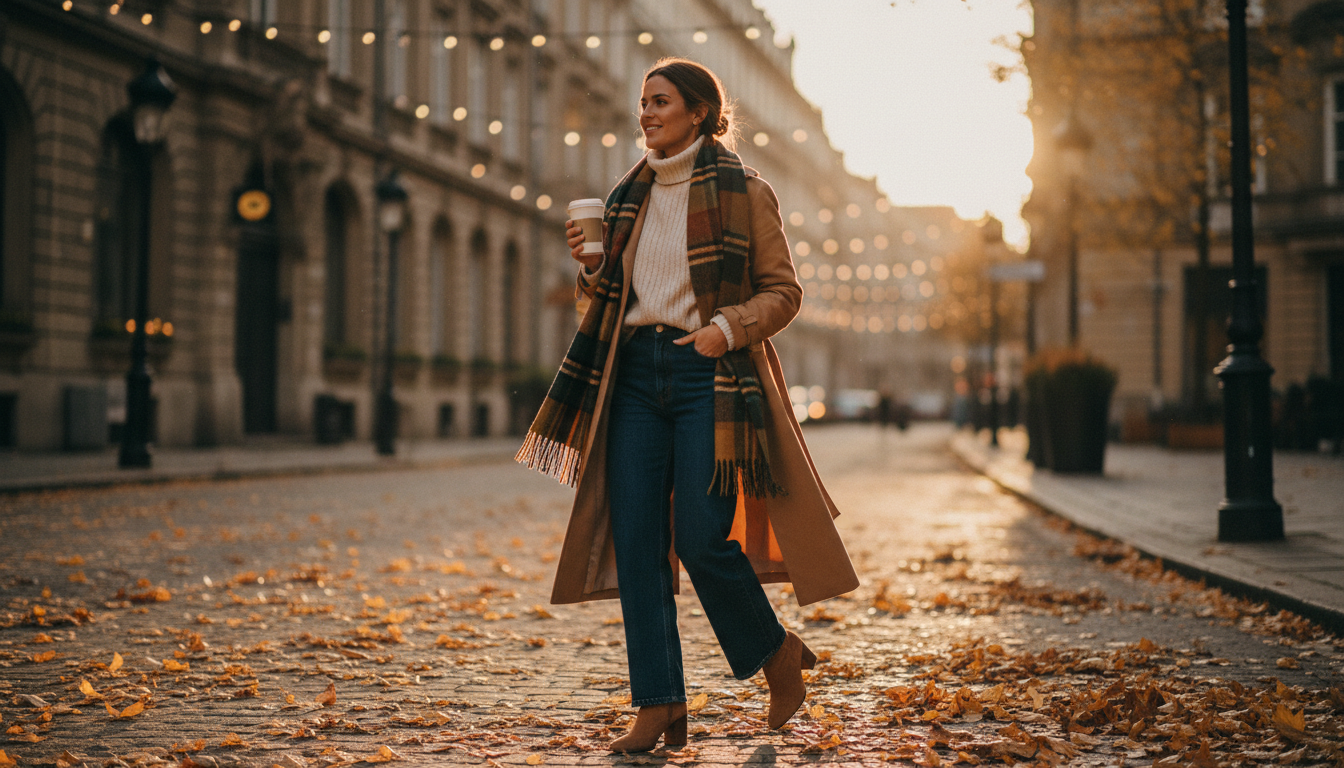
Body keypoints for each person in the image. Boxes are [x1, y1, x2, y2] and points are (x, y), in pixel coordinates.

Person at [516, 57, 858, 753]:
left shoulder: (744, 192)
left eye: (660, 101)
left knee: (703, 537)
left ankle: (777, 655)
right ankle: (659, 705)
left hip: (710, 375)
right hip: (635, 376)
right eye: (642, 101)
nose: (645, 113)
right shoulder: (625, 196)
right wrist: (590, 268)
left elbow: (783, 293)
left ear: (698, 112)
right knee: (638, 543)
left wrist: (724, 330)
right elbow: (607, 302)